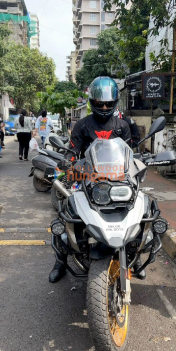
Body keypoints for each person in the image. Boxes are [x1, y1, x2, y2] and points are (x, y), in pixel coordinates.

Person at [49, 76, 145, 283]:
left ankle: (135, 255)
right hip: (87, 175)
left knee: (140, 207)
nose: (103, 106)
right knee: (65, 211)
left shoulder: (123, 125)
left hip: (119, 177)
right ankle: (60, 260)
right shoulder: (82, 125)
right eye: (99, 103)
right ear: (92, 102)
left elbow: (128, 152)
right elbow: (73, 151)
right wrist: (67, 162)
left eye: (108, 103)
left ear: (114, 103)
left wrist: (139, 163)